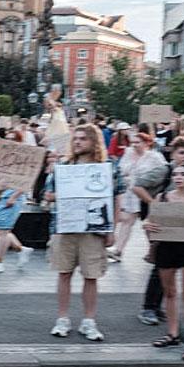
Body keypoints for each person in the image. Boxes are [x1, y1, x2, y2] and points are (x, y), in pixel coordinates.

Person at [43, 124, 118, 341]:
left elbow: (117, 197)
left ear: (94, 142)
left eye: (83, 138)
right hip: (65, 227)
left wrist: (111, 229)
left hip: (93, 229)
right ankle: (62, 318)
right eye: (75, 138)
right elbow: (47, 194)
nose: (77, 142)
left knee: (91, 275)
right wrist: (59, 195)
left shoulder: (107, 167)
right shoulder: (63, 166)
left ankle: (89, 321)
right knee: (64, 273)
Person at [144, 164, 184, 360]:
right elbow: (149, 221)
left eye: (183, 174)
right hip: (166, 247)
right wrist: (148, 227)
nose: (178, 177)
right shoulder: (162, 197)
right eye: (175, 174)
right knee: (169, 292)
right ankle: (172, 334)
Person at [111, 131, 164, 262]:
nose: (134, 145)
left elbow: (163, 172)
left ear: (146, 143)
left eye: (137, 142)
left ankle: (154, 250)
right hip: (130, 192)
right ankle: (118, 250)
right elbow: (121, 170)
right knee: (127, 220)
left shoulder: (155, 156)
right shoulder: (128, 153)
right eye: (132, 142)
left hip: (147, 192)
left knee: (150, 223)